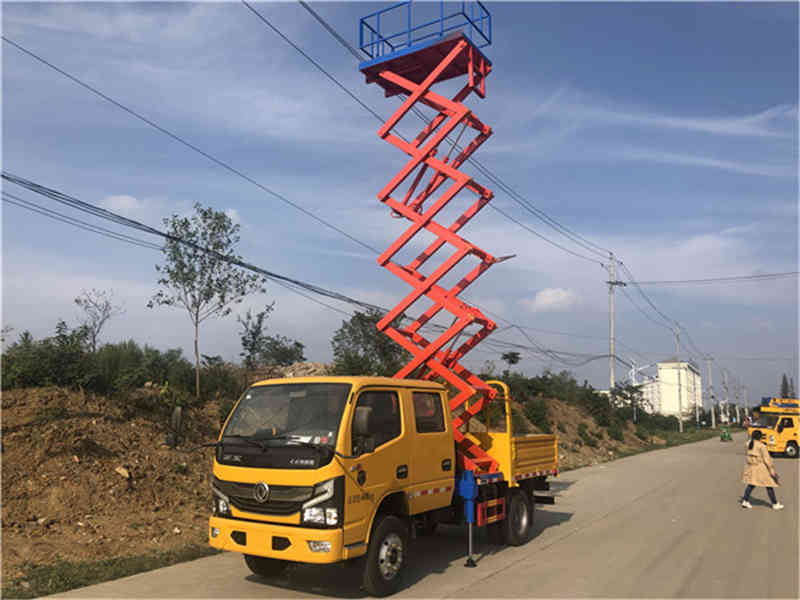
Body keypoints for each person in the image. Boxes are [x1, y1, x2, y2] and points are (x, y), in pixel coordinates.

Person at [741, 430, 783, 510]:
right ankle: (775, 504)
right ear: (760, 437)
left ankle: (745, 500)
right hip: (761, 467)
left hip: (751, 467)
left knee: (751, 484)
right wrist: (772, 470)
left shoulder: (749, 444)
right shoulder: (761, 446)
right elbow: (767, 459)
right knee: (769, 485)